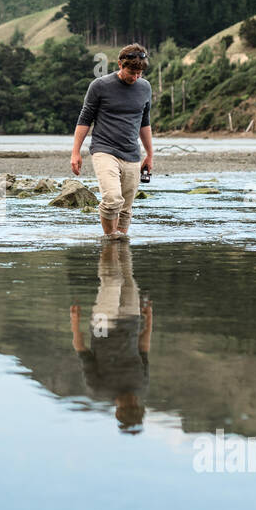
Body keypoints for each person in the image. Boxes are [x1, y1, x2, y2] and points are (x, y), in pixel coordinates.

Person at [69, 43, 153, 239]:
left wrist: (149, 154)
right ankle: (109, 240)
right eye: (132, 72)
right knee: (113, 199)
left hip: (132, 154)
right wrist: (75, 152)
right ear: (120, 64)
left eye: (139, 73)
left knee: (125, 208)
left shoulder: (145, 87)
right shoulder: (99, 86)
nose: (135, 77)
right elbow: (84, 120)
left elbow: (145, 122)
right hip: (104, 150)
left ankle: (119, 252)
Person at [70, 242, 152, 432]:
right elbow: (144, 349)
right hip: (132, 322)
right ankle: (119, 241)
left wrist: (75, 321)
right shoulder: (141, 385)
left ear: (117, 410)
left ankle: (107, 244)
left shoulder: (98, 388)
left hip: (102, 328)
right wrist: (149, 318)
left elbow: (82, 351)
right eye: (135, 404)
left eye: (128, 405)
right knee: (127, 274)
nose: (132, 400)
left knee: (112, 280)